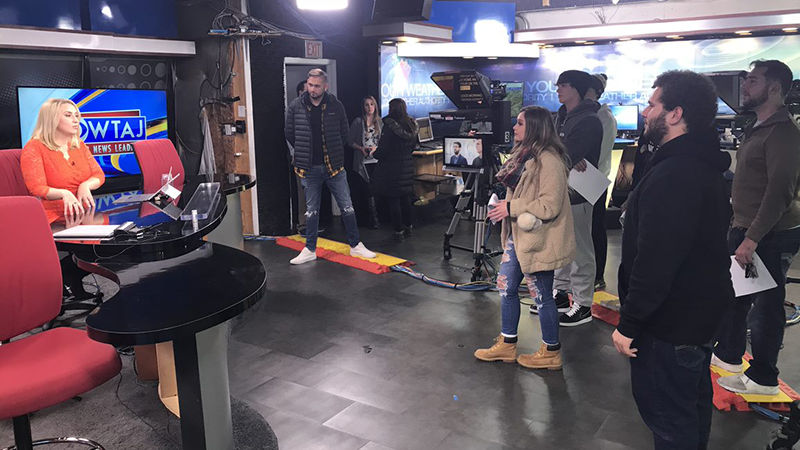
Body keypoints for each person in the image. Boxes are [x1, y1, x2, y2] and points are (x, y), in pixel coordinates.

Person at [612, 70, 734, 449]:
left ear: (675, 113)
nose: (645, 113)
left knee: (669, 421)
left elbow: (656, 260)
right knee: (690, 412)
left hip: (669, 324)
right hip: (693, 317)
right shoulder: (695, 164)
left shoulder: (676, 173)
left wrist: (629, 324)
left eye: (651, 105)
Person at [715, 60, 800, 396]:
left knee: (766, 305)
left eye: (752, 80)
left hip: (767, 236)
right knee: (741, 296)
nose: (745, 86)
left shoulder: (783, 133)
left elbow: (779, 192)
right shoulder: (759, 126)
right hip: (747, 230)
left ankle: (764, 376)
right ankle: (730, 358)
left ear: (775, 87)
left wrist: (751, 238)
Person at [474, 106, 575, 370]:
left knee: (541, 295)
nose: (514, 127)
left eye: (519, 123)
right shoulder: (524, 155)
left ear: (534, 127)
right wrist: (502, 203)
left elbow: (550, 205)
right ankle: (507, 343)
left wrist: (511, 208)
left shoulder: (550, 160)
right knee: (505, 286)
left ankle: (551, 351)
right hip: (518, 237)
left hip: (538, 241)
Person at [284, 68, 376, 264]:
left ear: (325, 86)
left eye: (317, 86)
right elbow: (289, 133)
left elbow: (344, 133)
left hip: (333, 166)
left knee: (347, 206)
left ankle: (356, 245)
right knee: (311, 210)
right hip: (309, 168)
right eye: (310, 85)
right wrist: (304, 151)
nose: (312, 89)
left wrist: (334, 152)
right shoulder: (296, 106)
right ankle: (310, 248)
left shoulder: (336, 105)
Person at [20, 98, 106, 300]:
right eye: (68, 115)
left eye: (76, 115)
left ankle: (71, 275)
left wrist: (86, 185)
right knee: (95, 245)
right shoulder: (35, 148)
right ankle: (67, 274)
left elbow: (99, 176)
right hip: (52, 217)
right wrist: (64, 193)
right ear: (51, 119)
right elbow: (36, 187)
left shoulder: (79, 145)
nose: (76, 119)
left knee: (115, 240)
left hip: (82, 213)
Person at [536, 70, 602, 326]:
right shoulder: (560, 117)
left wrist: (557, 154)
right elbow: (550, 149)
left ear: (576, 89)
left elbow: (565, 155)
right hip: (559, 189)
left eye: (563, 85)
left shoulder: (589, 120)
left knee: (581, 249)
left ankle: (583, 304)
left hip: (579, 192)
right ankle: (561, 294)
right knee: (559, 245)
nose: (558, 90)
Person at [585, 73, 617, 291]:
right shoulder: (585, 114)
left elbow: (597, 152)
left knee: (595, 228)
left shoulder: (603, 116)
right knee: (581, 231)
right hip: (580, 176)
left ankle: (598, 276)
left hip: (592, 178)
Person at [372, 98, 417, 241]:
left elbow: (383, 150)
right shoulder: (412, 124)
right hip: (407, 166)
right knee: (405, 199)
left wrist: (374, 152)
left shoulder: (389, 126)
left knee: (394, 200)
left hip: (391, 168)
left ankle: (398, 231)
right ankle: (409, 226)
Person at [348, 96, 382, 229]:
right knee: (366, 190)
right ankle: (372, 219)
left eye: (372, 104)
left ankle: (376, 217)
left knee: (375, 190)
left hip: (376, 160)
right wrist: (361, 148)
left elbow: (383, 141)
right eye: (367, 105)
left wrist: (376, 148)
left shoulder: (379, 122)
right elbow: (350, 141)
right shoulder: (358, 122)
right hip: (362, 162)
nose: (369, 108)